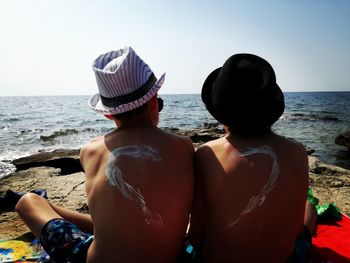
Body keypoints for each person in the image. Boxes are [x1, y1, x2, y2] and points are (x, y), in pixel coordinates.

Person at [15, 46, 194, 262]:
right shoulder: (184, 147)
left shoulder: (90, 151)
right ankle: (47, 204)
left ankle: (39, 201)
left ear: (108, 115)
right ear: (154, 101)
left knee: (27, 201)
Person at [188, 53, 310, 262]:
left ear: (222, 114)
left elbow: (196, 235)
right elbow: (297, 231)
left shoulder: (207, 154)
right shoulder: (298, 152)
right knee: (310, 209)